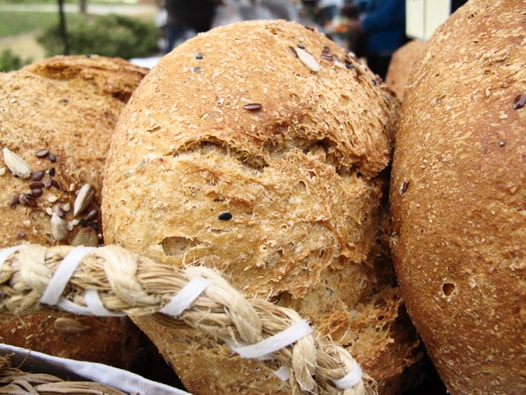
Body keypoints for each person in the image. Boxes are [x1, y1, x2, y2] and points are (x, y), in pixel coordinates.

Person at [342, 0, 406, 80]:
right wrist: (356, 6)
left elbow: (389, 15)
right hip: (373, 49)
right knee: (372, 80)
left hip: (387, 50)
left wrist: (363, 24)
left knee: (383, 84)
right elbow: (372, 3)